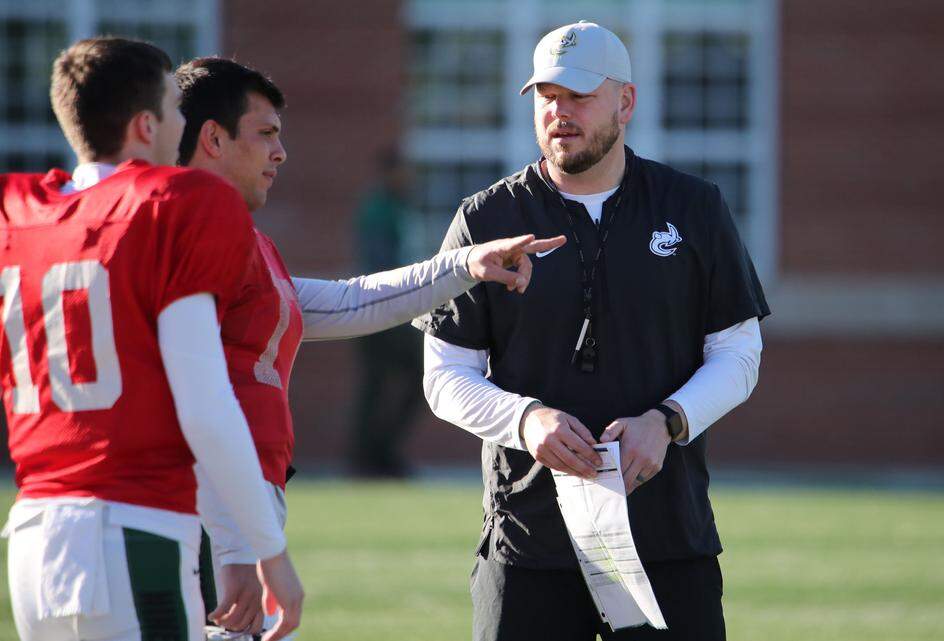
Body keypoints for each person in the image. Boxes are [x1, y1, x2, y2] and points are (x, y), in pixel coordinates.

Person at [173, 57, 565, 638]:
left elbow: (348, 302)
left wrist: (465, 264)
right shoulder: (185, 232)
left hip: (225, 512)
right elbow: (190, 397)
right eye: (266, 134)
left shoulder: (236, 241)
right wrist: (245, 541)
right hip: (205, 515)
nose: (280, 153)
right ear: (212, 138)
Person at [415, 21, 769, 641]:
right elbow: (443, 376)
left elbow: (739, 353)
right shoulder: (487, 218)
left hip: (667, 539)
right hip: (529, 543)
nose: (560, 112)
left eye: (579, 95)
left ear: (626, 102)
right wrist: (526, 420)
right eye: (547, 96)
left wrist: (668, 420)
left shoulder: (693, 208)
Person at [0, 37, 303, 641]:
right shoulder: (177, 205)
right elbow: (206, 404)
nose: (184, 123)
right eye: (174, 107)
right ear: (146, 125)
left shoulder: (22, 212)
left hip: (31, 537)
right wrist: (263, 549)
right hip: (132, 529)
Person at [350, 150, 421, 477]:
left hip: (391, 309)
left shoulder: (401, 207)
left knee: (385, 385)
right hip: (379, 309)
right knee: (378, 386)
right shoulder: (380, 209)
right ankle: (371, 456)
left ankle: (377, 453)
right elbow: (381, 262)